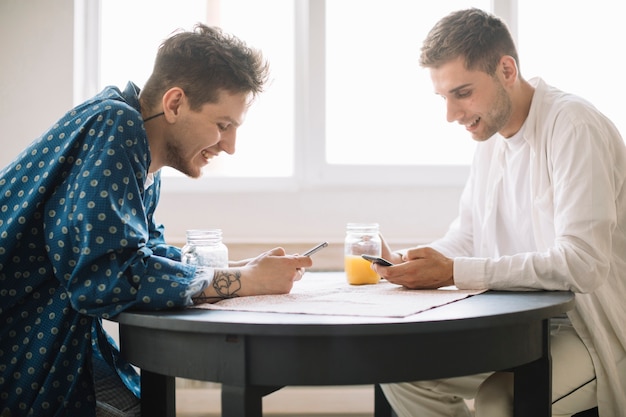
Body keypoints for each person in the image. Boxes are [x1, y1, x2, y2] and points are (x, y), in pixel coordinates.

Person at [0, 24, 312, 417]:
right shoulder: (117, 127)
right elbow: (106, 280)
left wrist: (242, 270)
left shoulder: (138, 146)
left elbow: (139, 252)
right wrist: (246, 282)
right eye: (223, 125)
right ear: (176, 103)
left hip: (52, 342)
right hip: (21, 354)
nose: (230, 147)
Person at [373, 8, 626, 417]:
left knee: (499, 400)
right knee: (400, 370)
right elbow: (468, 237)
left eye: (463, 92)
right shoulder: (490, 140)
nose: (451, 115)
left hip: (590, 331)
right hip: (514, 325)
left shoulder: (574, 126)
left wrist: (453, 271)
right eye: (444, 97)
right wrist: (414, 262)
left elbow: (583, 265)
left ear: (507, 70)